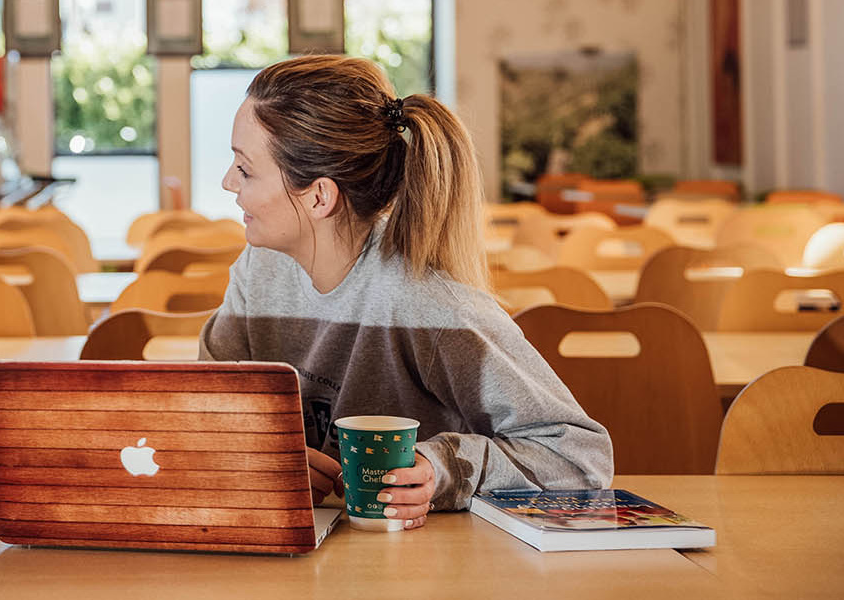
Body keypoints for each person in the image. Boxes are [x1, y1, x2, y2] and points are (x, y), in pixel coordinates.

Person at [200, 55, 613, 530]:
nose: (228, 182)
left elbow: (580, 456)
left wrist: (445, 469)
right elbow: (207, 415)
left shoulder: (429, 305)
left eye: (245, 169)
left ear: (318, 197)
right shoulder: (259, 272)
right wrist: (260, 455)